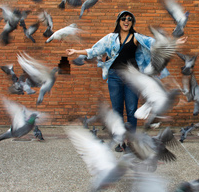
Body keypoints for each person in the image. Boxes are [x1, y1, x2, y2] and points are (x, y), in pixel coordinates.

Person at [66, 10, 186, 150]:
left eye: (129, 19)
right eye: (123, 19)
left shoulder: (136, 37)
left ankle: (130, 142)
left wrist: (174, 43)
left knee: (131, 110)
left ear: (132, 22)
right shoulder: (110, 38)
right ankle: (120, 141)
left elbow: (156, 45)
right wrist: (76, 52)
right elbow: (95, 50)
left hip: (132, 79)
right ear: (119, 21)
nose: (126, 21)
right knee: (117, 110)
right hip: (114, 77)